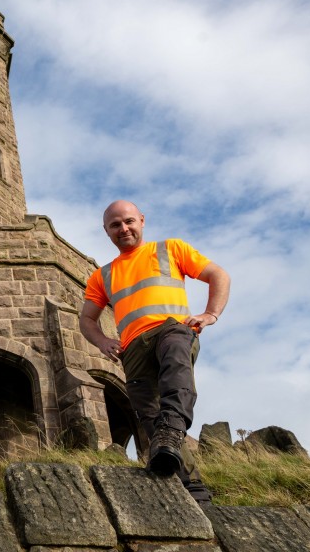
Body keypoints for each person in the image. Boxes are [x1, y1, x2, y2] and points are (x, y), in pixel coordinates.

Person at [79, 200, 230, 505]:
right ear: (107, 230)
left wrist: (210, 314)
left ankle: (173, 429)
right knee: (148, 412)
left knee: (176, 372)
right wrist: (102, 341)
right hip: (132, 347)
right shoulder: (102, 275)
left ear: (142, 221)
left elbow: (218, 275)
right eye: (115, 225)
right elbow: (86, 319)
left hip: (172, 328)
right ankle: (194, 491)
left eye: (129, 221)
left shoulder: (171, 249)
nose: (124, 229)